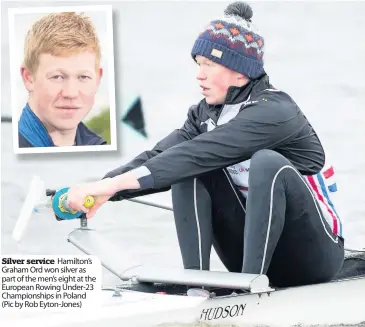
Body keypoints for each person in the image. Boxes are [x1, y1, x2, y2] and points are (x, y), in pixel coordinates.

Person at [67, 1, 345, 289]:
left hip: (313, 255)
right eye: (199, 64)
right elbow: (159, 157)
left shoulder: (276, 111)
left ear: (240, 72)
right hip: (251, 248)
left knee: (264, 162)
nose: (199, 75)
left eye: (209, 65)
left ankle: (248, 289)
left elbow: (196, 153)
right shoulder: (203, 114)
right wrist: (100, 189)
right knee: (182, 166)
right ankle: (195, 286)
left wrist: (108, 187)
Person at [18, 12, 107, 148]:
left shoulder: (100, 148)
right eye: (57, 77)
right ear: (28, 78)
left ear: (97, 79)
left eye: (83, 77)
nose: (71, 93)